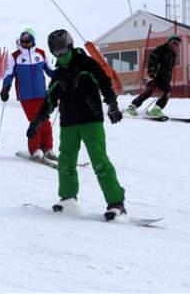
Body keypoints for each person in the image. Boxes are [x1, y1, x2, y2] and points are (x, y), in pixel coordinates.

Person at [27, 29, 126, 220]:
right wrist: (38, 120)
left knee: (99, 161)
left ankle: (116, 203)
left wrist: (112, 104)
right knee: (66, 162)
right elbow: (50, 99)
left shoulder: (87, 64)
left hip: (91, 120)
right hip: (69, 123)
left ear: (71, 47)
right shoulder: (59, 74)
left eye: (63, 51)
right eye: (57, 53)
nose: (61, 56)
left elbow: (105, 83)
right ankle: (67, 199)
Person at [0, 29, 55, 160]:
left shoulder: (41, 54)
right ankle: (35, 149)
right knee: (35, 120)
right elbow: (9, 74)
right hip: (26, 95)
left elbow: (50, 71)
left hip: (42, 94)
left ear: (33, 41)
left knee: (45, 121)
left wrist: (62, 78)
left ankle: (47, 148)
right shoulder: (15, 56)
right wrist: (5, 89)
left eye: (27, 41)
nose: (24, 44)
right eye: (22, 41)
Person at [126, 35, 181, 117]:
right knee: (149, 91)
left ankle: (156, 109)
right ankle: (132, 107)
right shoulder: (161, 50)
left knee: (167, 91)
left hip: (164, 79)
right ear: (169, 42)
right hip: (155, 76)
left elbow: (169, 69)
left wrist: (168, 78)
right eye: (174, 42)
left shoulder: (172, 55)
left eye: (177, 44)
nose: (175, 45)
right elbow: (152, 58)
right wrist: (152, 71)